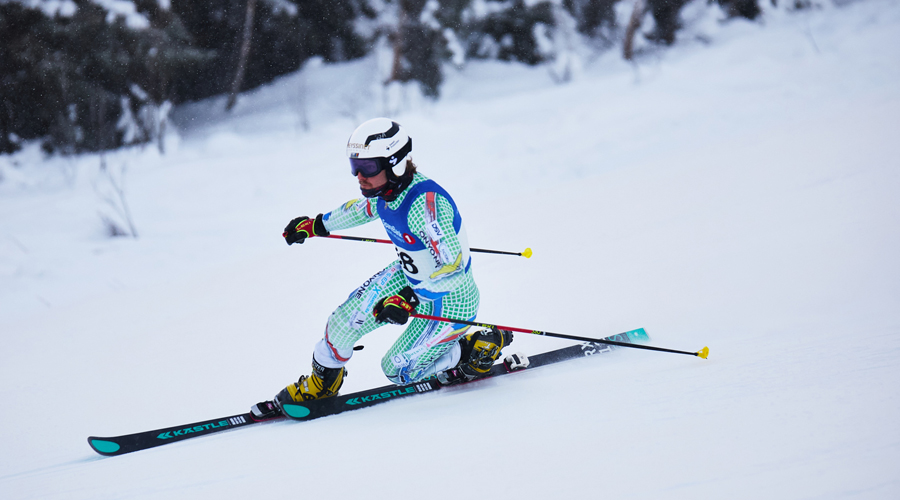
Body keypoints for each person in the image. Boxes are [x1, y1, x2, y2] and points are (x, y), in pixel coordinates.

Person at [263, 118, 512, 413]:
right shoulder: (386, 191)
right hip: (409, 279)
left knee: (398, 370)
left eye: (368, 168)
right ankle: (322, 385)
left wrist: (405, 300)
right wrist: (317, 225)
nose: (360, 177)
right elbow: (362, 210)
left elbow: (454, 269)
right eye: (355, 167)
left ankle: (473, 349)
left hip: (451, 300)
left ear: (395, 163)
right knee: (341, 325)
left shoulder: (426, 206)